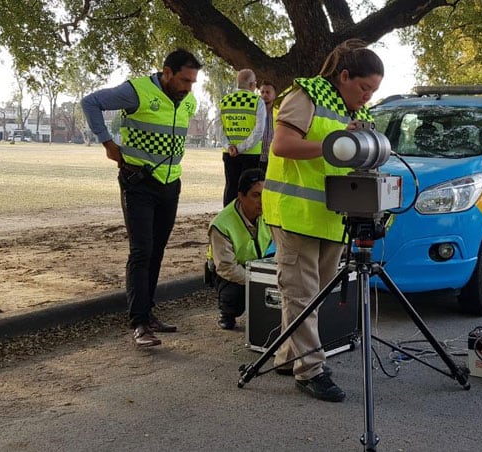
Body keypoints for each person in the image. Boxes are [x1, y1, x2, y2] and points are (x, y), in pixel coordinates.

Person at [262, 39, 383, 402]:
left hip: (332, 217)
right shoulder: (305, 95)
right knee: (300, 293)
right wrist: (337, 141)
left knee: (313, 295)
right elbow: (282, 145)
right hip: (295, 213)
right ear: (344, 76)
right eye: (364, 87)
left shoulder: (354, 112)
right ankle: (311, 369)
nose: (367, 96)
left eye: (374, 90)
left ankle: (287, 355)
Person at [81, 49, 202, 347]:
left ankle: (148, 314)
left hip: (171, 183)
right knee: (142, 250)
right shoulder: (137, 91)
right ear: (167, 72)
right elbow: (91, 102)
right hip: (139, 183)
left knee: (157, 250)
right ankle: (138, 323)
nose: (188, 87)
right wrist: (108, 144)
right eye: (184, 80)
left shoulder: (189, 101)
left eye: (193, 82)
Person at [207, 168, 272, 330]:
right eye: (256, 195)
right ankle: (226, 312)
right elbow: (226, 267)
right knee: (234, 297)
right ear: (241, 196)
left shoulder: (270, 213)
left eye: (265, 195)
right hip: (229, 272)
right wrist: (258, 281)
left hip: (259, 265)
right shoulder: (222, 224)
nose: (262, 201)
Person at [220, 69, 266, 207]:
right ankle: (246, 222)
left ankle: (228, 221)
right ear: (253, 84)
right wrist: (241, 148)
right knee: (249, 191)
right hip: (251, 154)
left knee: (231, 187)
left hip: (229, 154)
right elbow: (259, 131)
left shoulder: (224, 101)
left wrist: (229, 146)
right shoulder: (257, 102)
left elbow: (218, 128)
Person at [258, 81, 277, 170]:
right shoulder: (255, 112)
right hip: (257, 158)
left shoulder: (280, 113)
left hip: (274, 159)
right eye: (262, 92)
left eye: (268, 92)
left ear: (274, 95)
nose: (265, 95)